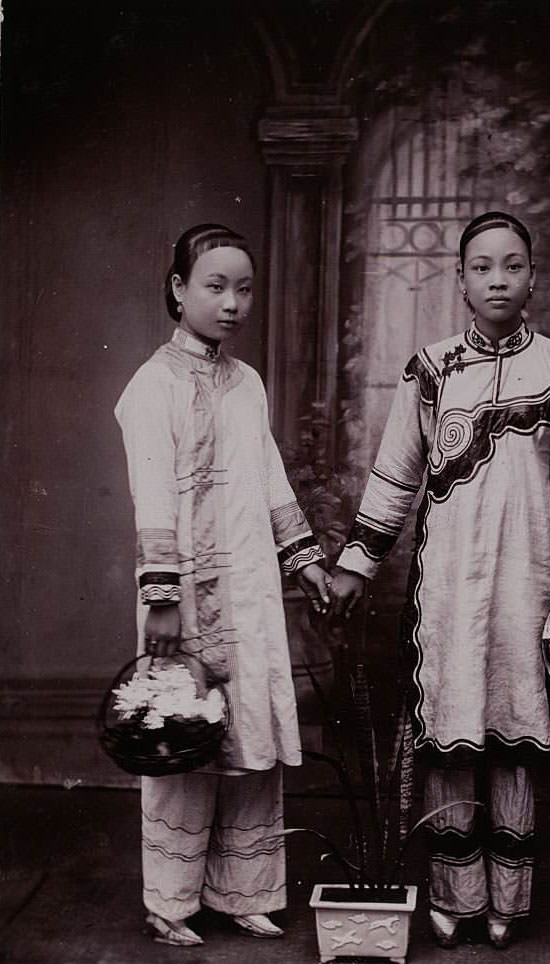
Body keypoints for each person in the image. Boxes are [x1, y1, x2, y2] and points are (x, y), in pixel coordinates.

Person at [330, 211, 550, 949]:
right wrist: (357, 564)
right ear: (461, 280)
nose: (498, 280)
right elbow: (394, 478)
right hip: (448, 582)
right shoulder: (431, 369)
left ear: (533, 275)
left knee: (512, 726)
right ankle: (455, 893)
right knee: (451, 732)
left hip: (526, 577)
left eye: (512, 265)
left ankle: (509, 901)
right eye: (482, 267)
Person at [115, 223, 330, 946]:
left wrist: (306, 562)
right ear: (178, 290)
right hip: (183, 595)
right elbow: (152, 493)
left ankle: (246, 890)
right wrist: (162, 598)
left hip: (249, 588)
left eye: (243, 288)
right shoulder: (152, 386)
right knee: (182, 736)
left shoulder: (248, 384)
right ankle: (170, 902)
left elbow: (269, 481)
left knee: (250, 738)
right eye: (214, 285)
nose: (231, 302)